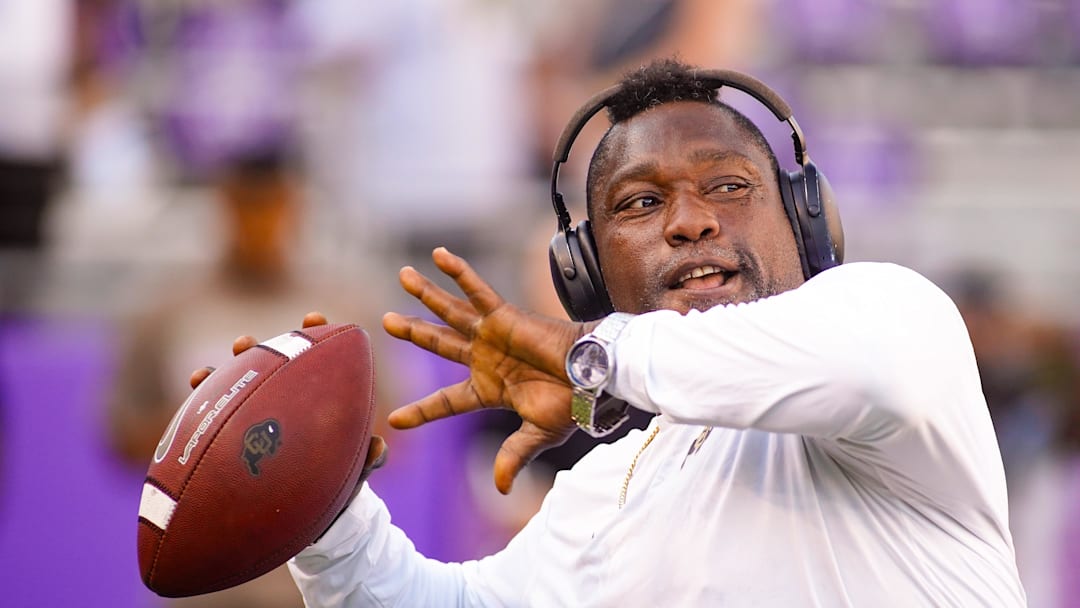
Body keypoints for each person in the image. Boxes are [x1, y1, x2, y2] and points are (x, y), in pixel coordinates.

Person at [197, 58, 1026, 605]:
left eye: (730, 186)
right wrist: (322, 505)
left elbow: (867, 373)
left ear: (806, 221)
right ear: (585, 272)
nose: (691, 222)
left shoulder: (894, 315)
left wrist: (588, 356)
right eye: (640, 203)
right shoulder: (607, 488)